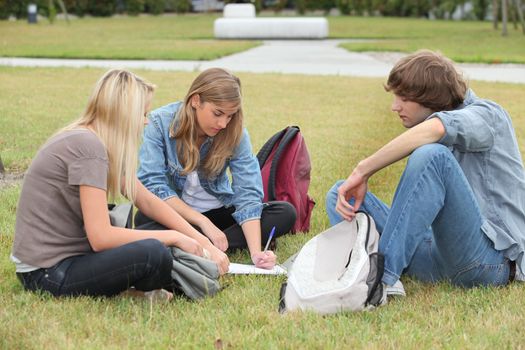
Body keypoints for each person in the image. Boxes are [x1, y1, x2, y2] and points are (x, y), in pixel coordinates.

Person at [11, 69, 224, 299]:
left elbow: (146, 200)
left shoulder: (95, 141)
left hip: (68, 259)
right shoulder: (88, 147)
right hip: (47, 273)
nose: (145, 121)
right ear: (123, 113)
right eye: (143, 113)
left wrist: (200, 240)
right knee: (154, 253)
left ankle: (133, 289)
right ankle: (136, 292)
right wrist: (174, 237)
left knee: (157, 238)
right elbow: (101, 237)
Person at [326, 50, 525, 291]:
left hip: (489, 262)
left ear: (430, 97)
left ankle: (382, 279)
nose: (394, 106)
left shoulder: (488, 116)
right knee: (340, 193)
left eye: (403, 98)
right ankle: (361, 268)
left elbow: (437, 129)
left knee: (431, 156)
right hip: (437, 255)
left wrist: (363, 170)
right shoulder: (434, 126)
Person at [136, 68, 296, 269]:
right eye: (218, 113)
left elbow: (247, 191)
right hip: (180, 215)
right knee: (144, 219)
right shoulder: (159, 123)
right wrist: (203, 222)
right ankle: (205, 242)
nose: (223, 123)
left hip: (220, 212)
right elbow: (153, 186)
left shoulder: (235, 132)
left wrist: (256, 253)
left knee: (284, 212)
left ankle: (194, 246)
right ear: (196, 100)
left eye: (230, 116)